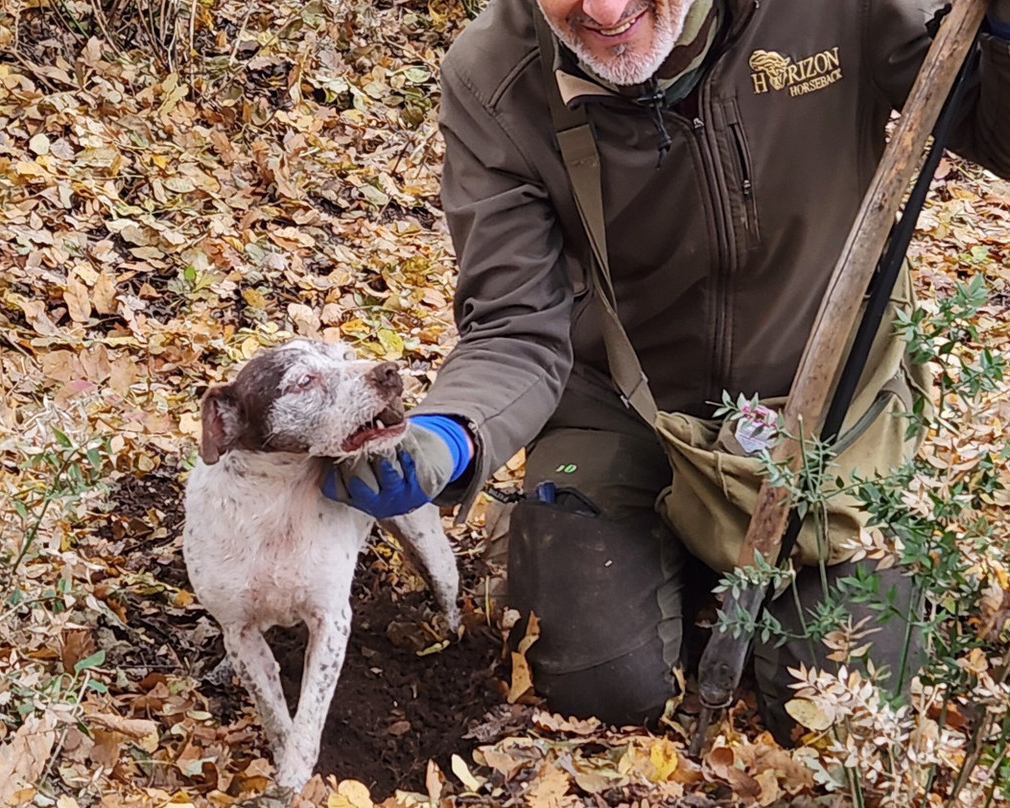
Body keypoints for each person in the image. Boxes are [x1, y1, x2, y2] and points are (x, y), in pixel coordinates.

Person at [324, 0, 1010, 741]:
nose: (605, 9)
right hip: (620, 411)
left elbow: (994, 128)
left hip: (823, 408)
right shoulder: (494, 77)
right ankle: (660, 545)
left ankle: (727, 552)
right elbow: (515, 326)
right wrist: (450, 434)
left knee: (846, 708)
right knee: (598, 684)